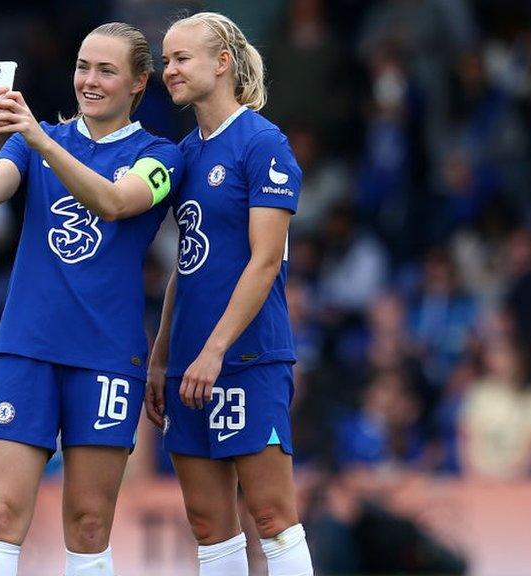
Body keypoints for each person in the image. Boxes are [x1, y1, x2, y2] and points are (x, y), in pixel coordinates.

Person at [0, 22, 183, 576]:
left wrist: (39, 138)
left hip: (106, 357)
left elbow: (112, 201)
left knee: (87, 523)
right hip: (28, 348)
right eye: (84, 66)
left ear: (138, 82)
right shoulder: (30, 142)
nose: (90, 80)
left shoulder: (163, 157)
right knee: (2, 513)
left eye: (107, 70)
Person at [147, 12, 314, 575]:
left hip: (245, 356)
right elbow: (184, 266)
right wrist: (162, 355)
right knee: (208, 524)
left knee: (270, 515)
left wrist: (215, 351)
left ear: (223, 63)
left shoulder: (263, 142)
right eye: (165, 60)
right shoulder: (185, 153)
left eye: (181, 58)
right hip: (189, 362)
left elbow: (265, 260)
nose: (169, 69)